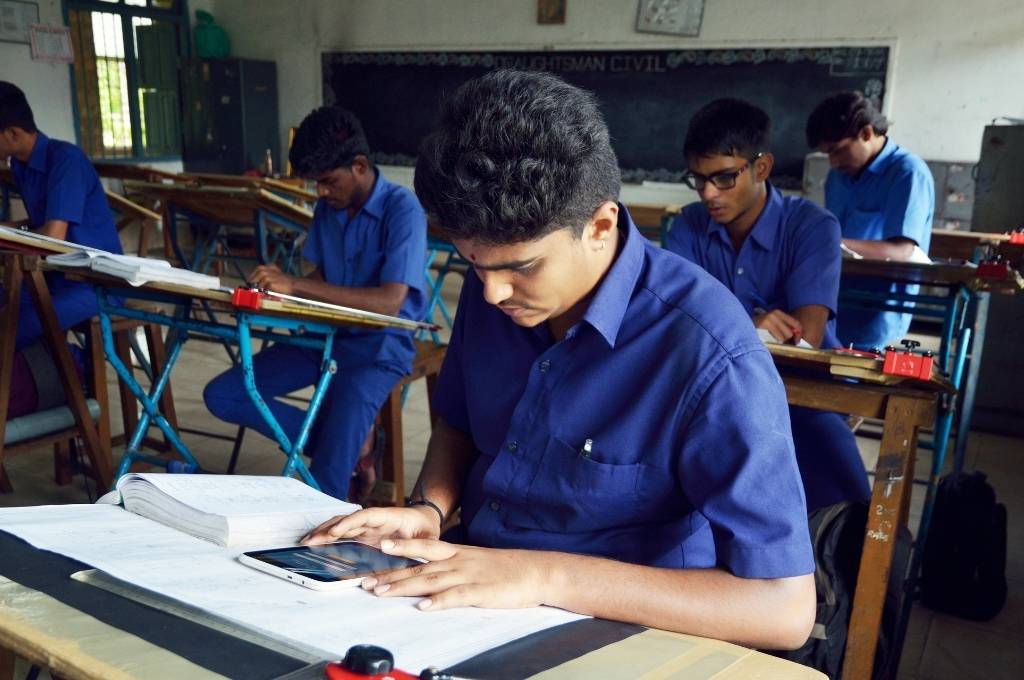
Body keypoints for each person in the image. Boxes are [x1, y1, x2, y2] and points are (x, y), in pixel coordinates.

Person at [304, 70, 815, 649]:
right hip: (476, 589)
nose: (492, 292)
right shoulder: (496, 286)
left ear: (600, 226)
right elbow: (461, 420)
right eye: (475, 263)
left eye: (520, 267)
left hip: (631, 629)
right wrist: (430, 508)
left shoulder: (709, 353)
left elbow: (784, 609)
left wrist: (542, 574)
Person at [203, 106, 427, 501]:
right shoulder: (330, 207)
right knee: (225, 393)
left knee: (326, 485)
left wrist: (295, 285)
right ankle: (351, 442)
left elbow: (389, 303)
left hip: (379, 348)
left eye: (327, 181)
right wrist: (277, 291)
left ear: (359, 166)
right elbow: (324, 276)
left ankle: (343, 451)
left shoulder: (402, 209)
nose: (321, 193)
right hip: (325, 337)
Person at [664, 98, 870, 512]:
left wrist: (721, 326)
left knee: (851, 511)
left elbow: (805, 336)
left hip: (801, 396)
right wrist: (751, 322)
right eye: (698, 179)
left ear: (761, 167)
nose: (707, 193)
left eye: (723, 177)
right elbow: (673, 322)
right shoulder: (687, 225)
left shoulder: (812, 226)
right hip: (710, 393)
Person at [806, 91, 934, 349]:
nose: (833, 162)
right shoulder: (838, 177)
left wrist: (831, 243)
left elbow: (902, 250)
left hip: (877, 308)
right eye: (827, 154)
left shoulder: (907, 173)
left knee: (854, 378)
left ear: (866, 133)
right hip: (834, 298)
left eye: (838, 151)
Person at [0, 81, 123, 350]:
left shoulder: (66, 160)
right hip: (53, 276)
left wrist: (9, 236)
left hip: (96, 284)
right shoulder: (21, 166)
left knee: (11, 330)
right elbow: (40, 226)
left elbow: (54, 237)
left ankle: (76, 378)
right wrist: (8, 230)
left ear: (12, 133)